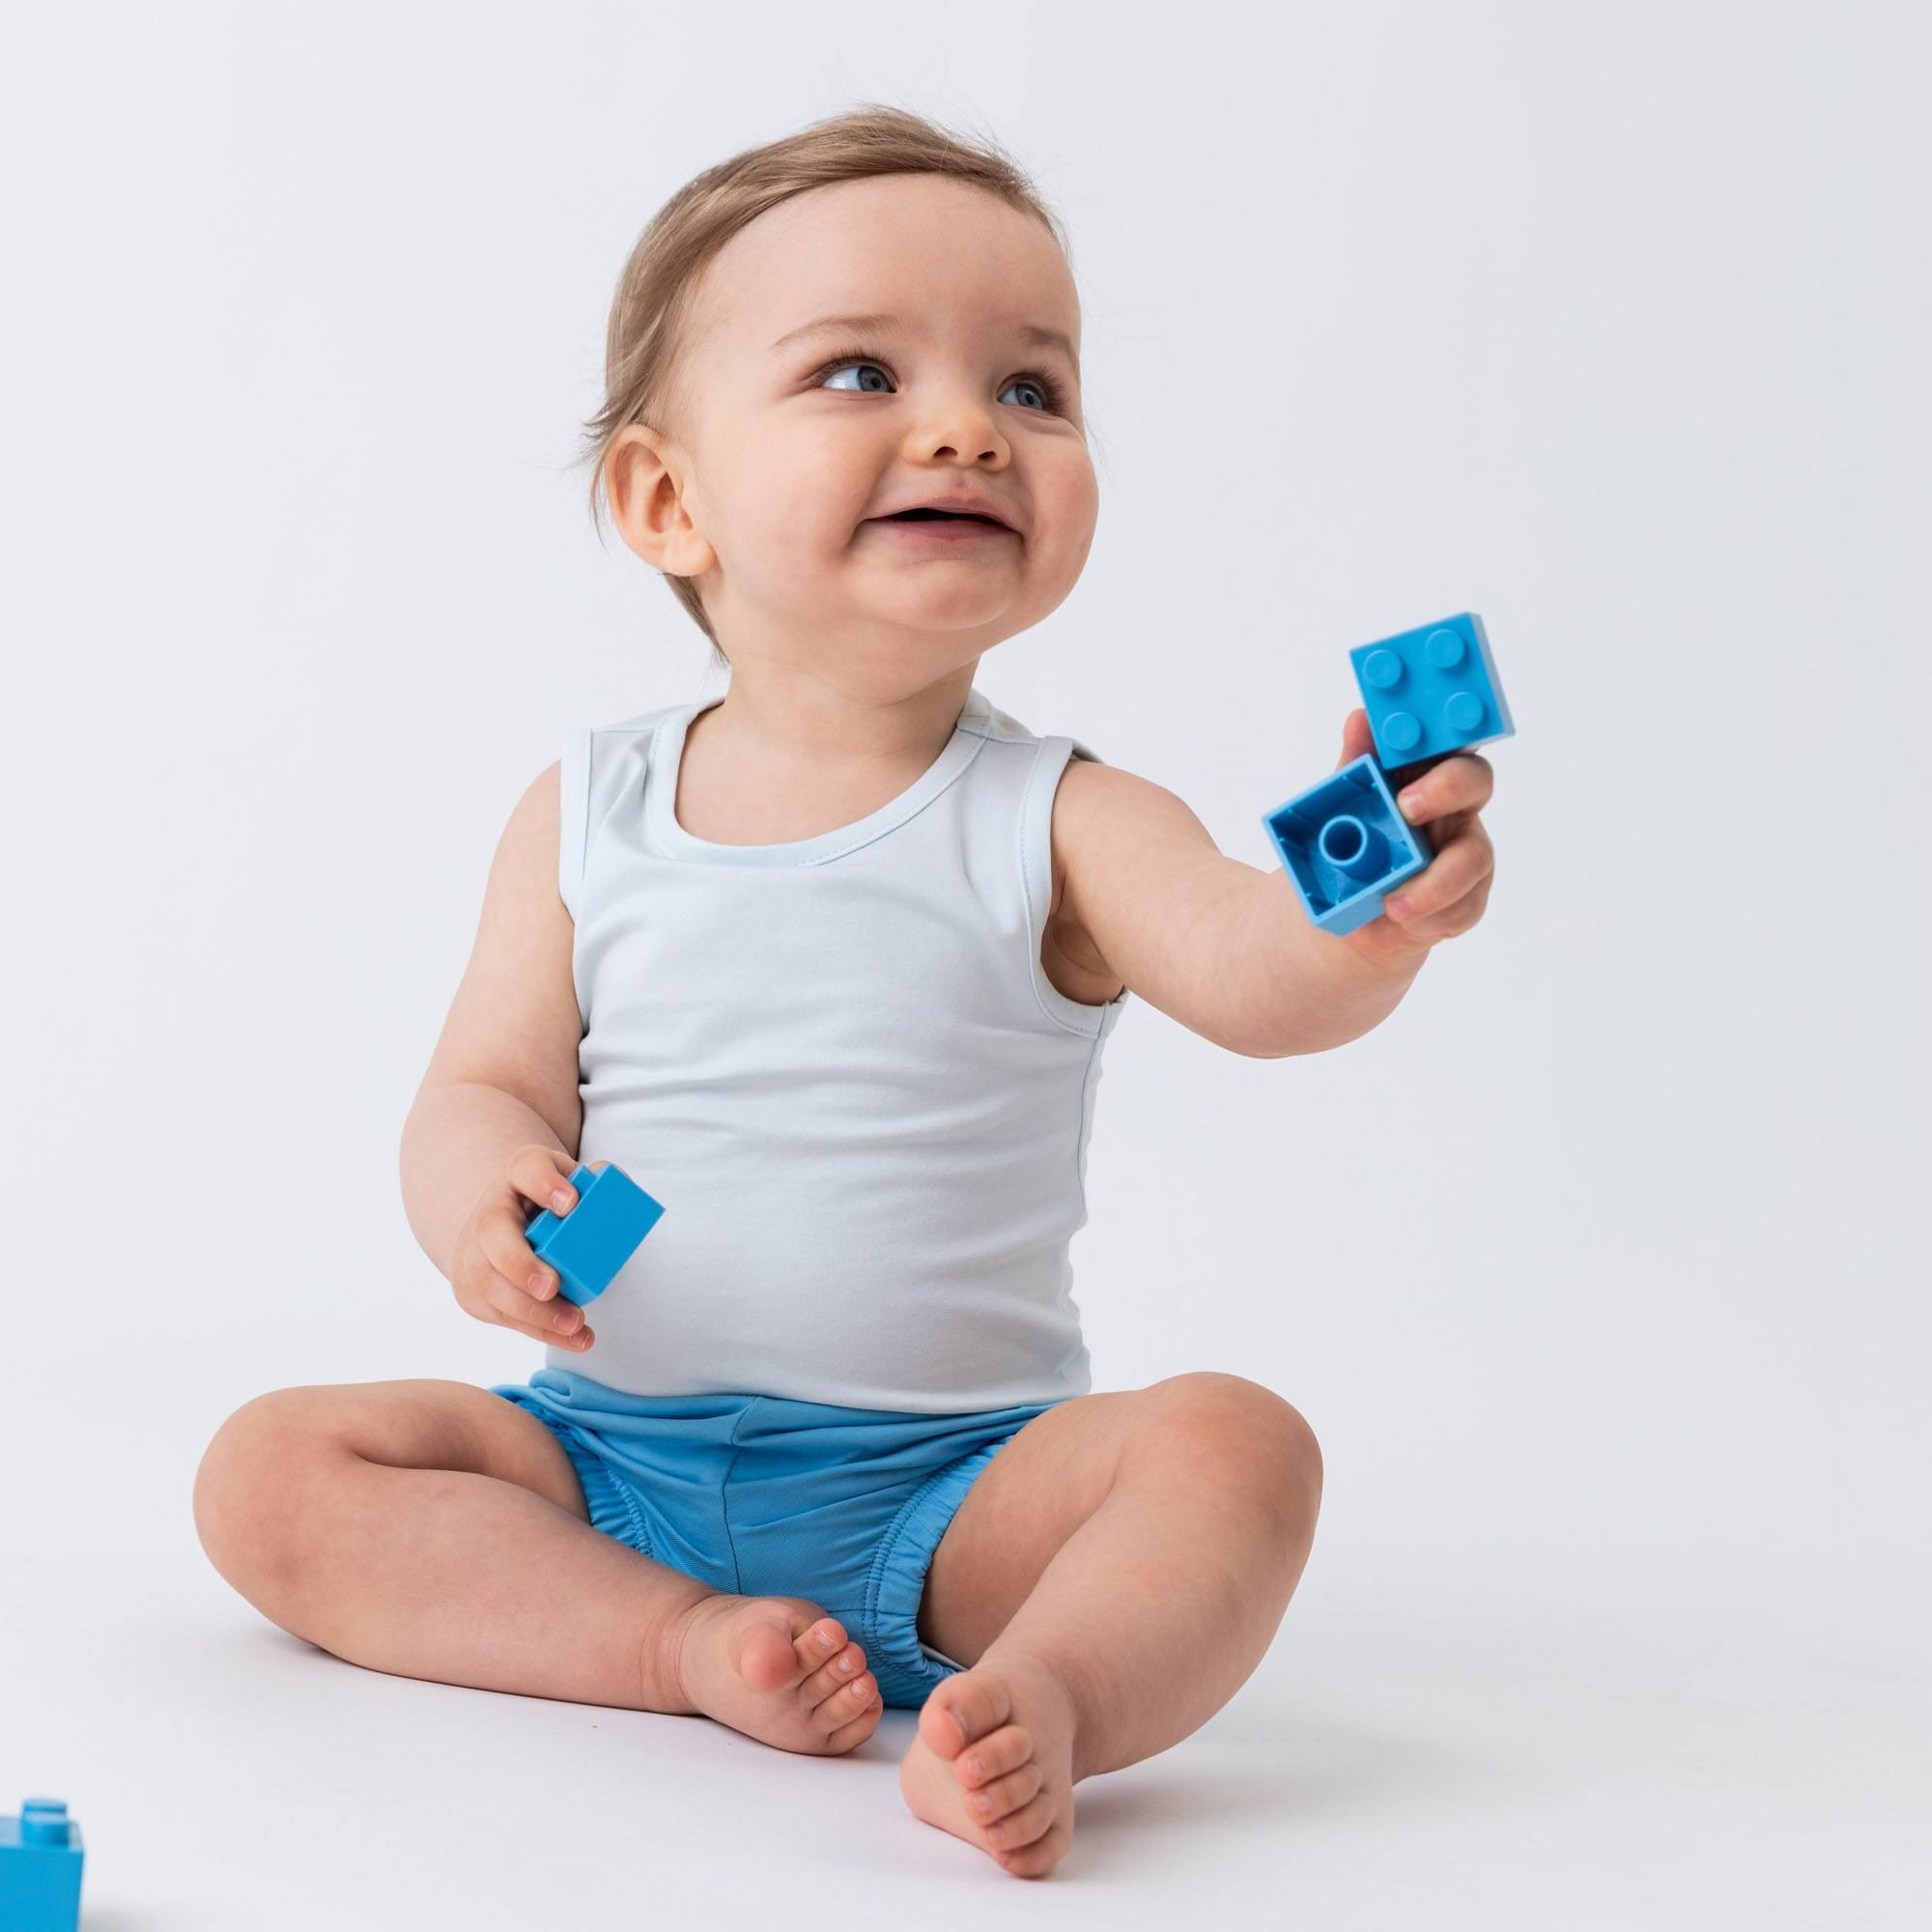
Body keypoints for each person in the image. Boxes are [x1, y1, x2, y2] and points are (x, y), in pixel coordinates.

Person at [191, 103, 1499, 1881]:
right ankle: (667, 1645)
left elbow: (1254, 966)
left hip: (960, 1494)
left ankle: (1039, 1697)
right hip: (605, 1464)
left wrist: (1368, 917)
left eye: (1034, 388)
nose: (969, 421)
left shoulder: (1064, 814)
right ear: (668, 500)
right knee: (268, 1473)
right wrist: (477, 1200)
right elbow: (480, 1089)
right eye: (862, 371)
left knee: (1236, 1447)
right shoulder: (585, 816)